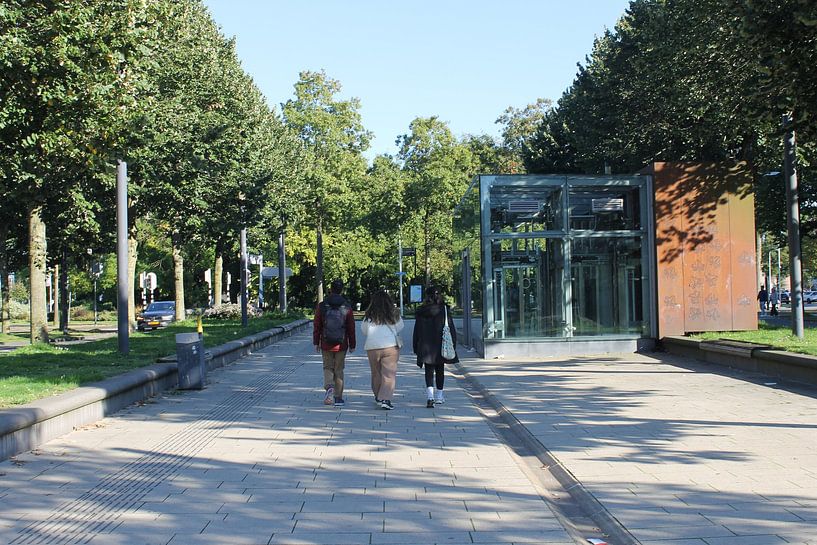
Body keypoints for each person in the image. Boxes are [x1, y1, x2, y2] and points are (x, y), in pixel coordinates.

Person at [413, 285, 458, 408]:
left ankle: (430, 396)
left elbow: (417, 330)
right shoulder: (444, 310)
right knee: (440, 370)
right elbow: (451, 328)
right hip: (441, 344)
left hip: (426, 346)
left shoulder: (422, 311)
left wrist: (415, 346)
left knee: (428, 371)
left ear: (427, 297)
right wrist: (454, 343)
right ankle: (439, 396)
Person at [313, 279, 356, 406]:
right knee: (339, 369)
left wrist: (316, 342)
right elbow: (351, 327)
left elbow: (317, 325)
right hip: (341, 344)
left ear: (330, 289)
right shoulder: (346, 306)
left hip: (326, 343)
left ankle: (329, 387)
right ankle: (338, 397)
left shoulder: (322, 305)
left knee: (327, 367)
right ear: (341, 290)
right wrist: (352, 344)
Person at [361, 290, 403, 410]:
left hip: (372, 347)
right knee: (389, 374)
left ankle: (378, 397)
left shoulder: (369, 315)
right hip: (390, 346)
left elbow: (364, 330)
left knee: (376, 373)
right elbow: (401, 326)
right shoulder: (393, 314)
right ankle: (386, 399)